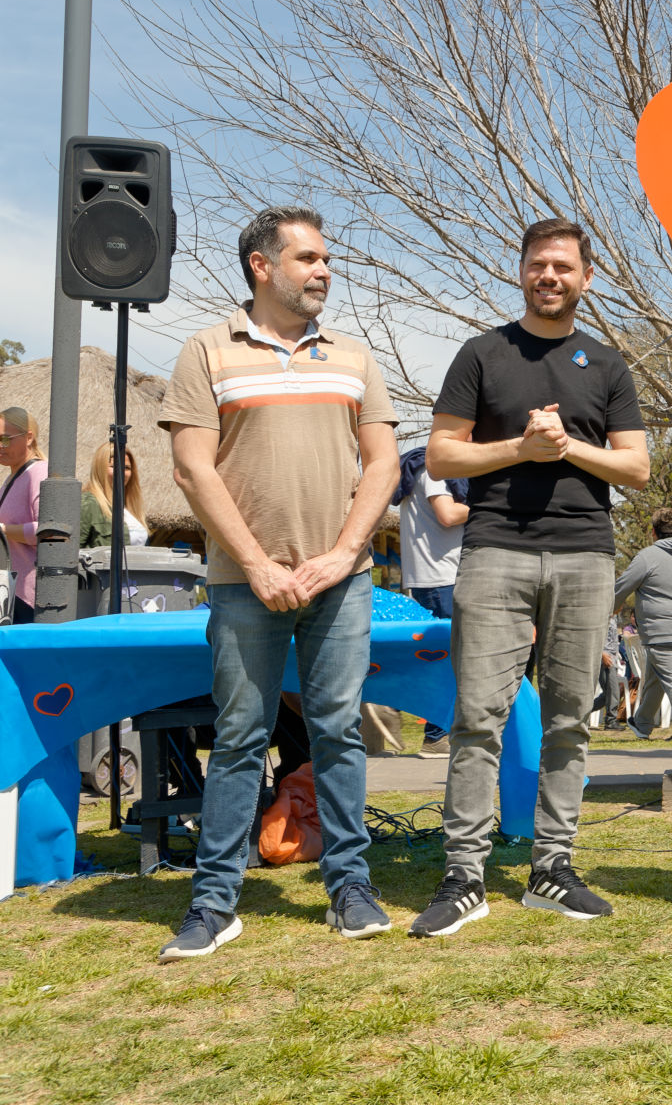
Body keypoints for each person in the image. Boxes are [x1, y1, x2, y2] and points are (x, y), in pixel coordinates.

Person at [157, 205, 402, 960]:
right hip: (242, 585)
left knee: (338, 735)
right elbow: (193, 467)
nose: (323, 270)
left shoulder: (355, 358)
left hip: (343, 581)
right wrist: (259, 565)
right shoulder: (207, 352)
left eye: (325, 259)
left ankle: (350, 888)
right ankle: (213, 902)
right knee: (238, 739)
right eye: (307, 259)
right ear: (262, 266)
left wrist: (340, 555)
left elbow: (384, 466)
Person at [409, 217, 650, 939]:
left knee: (571, 717)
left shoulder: (606, 366)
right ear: (521, 271)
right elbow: (443, 458)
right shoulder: (482, 355)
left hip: (583, 553)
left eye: (564, 267)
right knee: (477, 717)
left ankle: (553, 867)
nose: (551, 276)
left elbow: (635, 468)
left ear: (586, 278)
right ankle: (464, 877)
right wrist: (520, 446)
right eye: (539, 265)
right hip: (494, 552)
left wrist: (567, 447)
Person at [394, 445, 469, 755]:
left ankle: (440, 732)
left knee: (444, 659)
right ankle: (437, 735)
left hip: (435, 578)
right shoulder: (434, 470)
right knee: (449, 661)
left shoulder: (421, 469)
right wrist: (493, 505)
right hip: (441, 578)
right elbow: (448, 514)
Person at [611, 506, 672, 737]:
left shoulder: (647, 557)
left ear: (654, 532)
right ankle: (643, 723)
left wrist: (610, 608)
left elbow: (622, 587)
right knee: (655, 679)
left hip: (660, 634)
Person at [0, 407, 48, 624]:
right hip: (11, 591)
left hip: (27, 597)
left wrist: (3, 531)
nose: (1, 446)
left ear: (29, 437)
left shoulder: (38, 472)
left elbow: (45, 530)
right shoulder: (11, 479)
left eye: (5, 439)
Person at [80, 441, 150, 550]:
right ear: (100, 468)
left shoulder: (130, 506)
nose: (121, 472)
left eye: (126, 468)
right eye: (114, 466)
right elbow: (70, 553)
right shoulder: (88, 503)